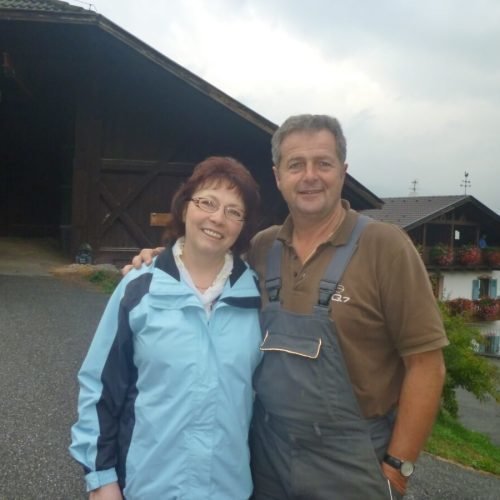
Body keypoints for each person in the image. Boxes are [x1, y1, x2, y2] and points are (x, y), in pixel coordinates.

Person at [125, 115, 448, 499]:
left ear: (343, 172)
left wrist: (397, 469)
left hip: (351, 461)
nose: (310, 176)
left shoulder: (385, 246)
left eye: (323, 163)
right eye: (296, 165)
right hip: (268, 453)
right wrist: (162, 258)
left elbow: (426, 365)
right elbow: (205, 260)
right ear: (278, 176)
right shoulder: (262, 247)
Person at [70, 156, 263, 500]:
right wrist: (101, 478)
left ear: (243, 226)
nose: (218, 218)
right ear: (185, 206)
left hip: (228, 489)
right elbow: (100, 387)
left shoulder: (257, 298)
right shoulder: (139, 288)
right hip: (148, 486)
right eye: (207, 202)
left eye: (234, 211)